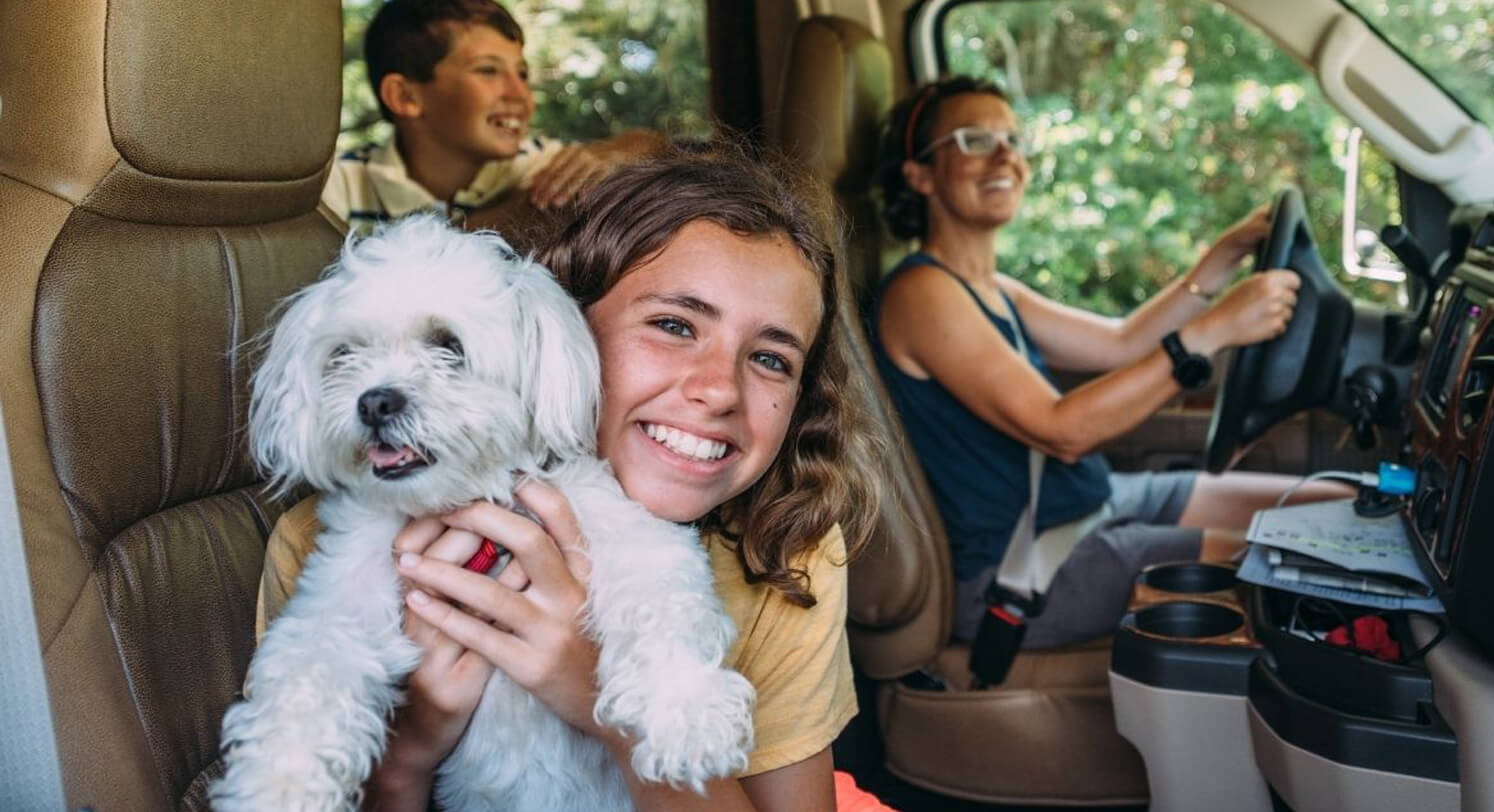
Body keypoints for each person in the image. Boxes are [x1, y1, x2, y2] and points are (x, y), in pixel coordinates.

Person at [260, 149, 882, 810]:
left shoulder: (789, 549)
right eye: (674, 326)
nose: (716, 390)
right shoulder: (323, 540)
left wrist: (605, 707)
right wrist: (407, 750)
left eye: (769, 358)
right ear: (569, 327)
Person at [870, 76, 1350, 650]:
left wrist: (1220, 259)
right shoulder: (921, 293)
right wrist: (1214, 330)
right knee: (1295, 555)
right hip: (1025, 565)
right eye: (975, 139)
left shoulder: (991, 288)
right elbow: (1062, 430)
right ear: (919, 174)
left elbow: (1123, 342)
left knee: (1331, 506)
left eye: (1013, 139)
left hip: (1092, 503)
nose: (1005, 155)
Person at [321, 0, 668, 239]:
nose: (522, 96)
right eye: (488, 71)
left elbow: (662, 151)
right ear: (405, 96)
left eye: (522, 74)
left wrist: (621, 151)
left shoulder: (539, 167)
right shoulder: (338, 188)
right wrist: (518, 213)